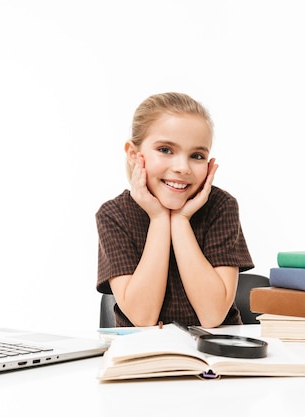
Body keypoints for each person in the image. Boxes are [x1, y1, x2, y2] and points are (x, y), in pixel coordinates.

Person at [96, 92, 254, 328]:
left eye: (197, 156)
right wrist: (159, 219)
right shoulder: (114, 215)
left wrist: (180, 220)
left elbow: (213, 316)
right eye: (166, 150)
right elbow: (143, 317)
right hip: (145, 355)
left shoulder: (221, 206)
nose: (182, 167)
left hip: (216, 354)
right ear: (133, 154)